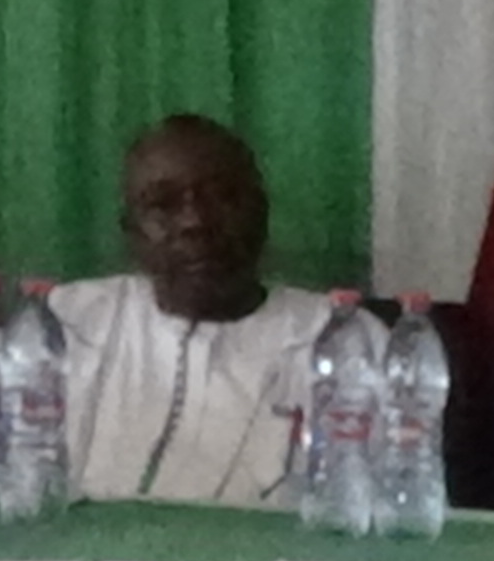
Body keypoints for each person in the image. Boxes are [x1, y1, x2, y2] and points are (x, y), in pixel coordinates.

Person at [49, 115, 338, 505]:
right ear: (130, 230)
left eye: (221, 196)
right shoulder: (69, 323)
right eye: (162, 205)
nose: (195, 222)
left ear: (261, 212)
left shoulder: (336, 337)